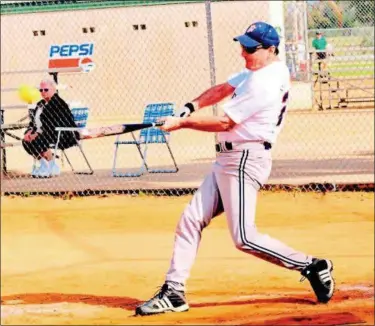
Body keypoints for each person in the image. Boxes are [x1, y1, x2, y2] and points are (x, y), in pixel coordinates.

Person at [135, 21, 335, 316]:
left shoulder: (264, 82)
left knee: (243, 237)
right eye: (242, 45)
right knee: (190, 220)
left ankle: (311, 265)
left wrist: (182, 124)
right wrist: (190, 107)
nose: (243, 53)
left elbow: (226, 122)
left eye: (251, 49)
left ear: (270, 50)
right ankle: (174, 291)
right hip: (227, 161)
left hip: (244, 160)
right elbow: (225, 87)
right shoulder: (260, 70)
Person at [22, 79, 79, 178]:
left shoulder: (58, 103)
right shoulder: (40, 104)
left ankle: (53, 166)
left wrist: (37, 134)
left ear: (54, 89)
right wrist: (29, 131)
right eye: (41, 90)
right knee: (25, 141)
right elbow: (33, 122)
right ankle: (44, 165)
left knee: (38, 140)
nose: (43, 92)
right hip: (44, 133)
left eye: (46, 89)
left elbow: (53, 124)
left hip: (61, 134)